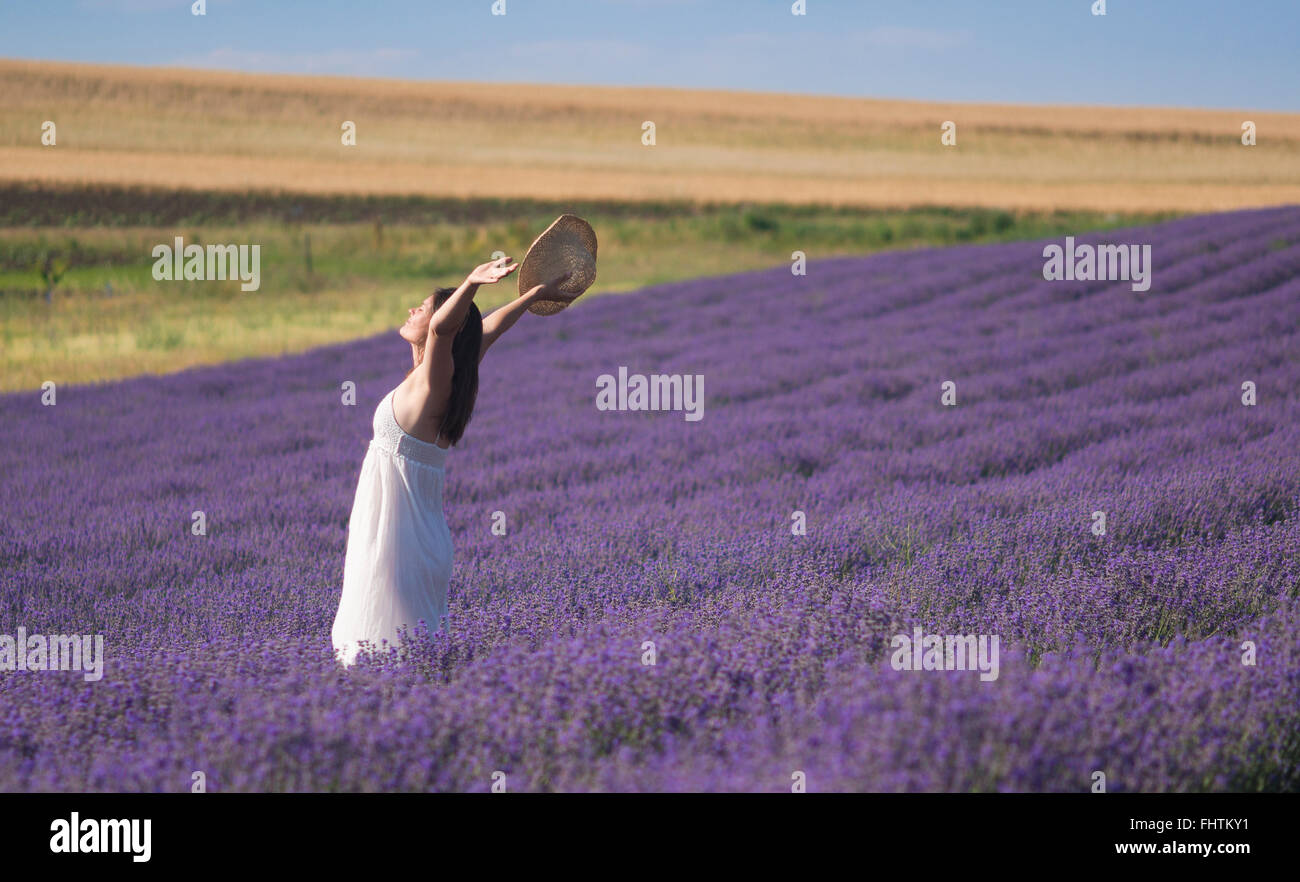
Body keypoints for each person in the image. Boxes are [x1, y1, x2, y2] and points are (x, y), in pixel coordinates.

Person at [331, 256, 573, 665]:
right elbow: (489, 330)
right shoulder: (450, 377)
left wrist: (472, 282)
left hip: (398, 543)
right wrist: (532, 296)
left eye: (422, 308)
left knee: (382, 649)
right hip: (414, 537)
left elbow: (446, 329)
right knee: (411, 651)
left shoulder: (434, 380)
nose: (414, 311)